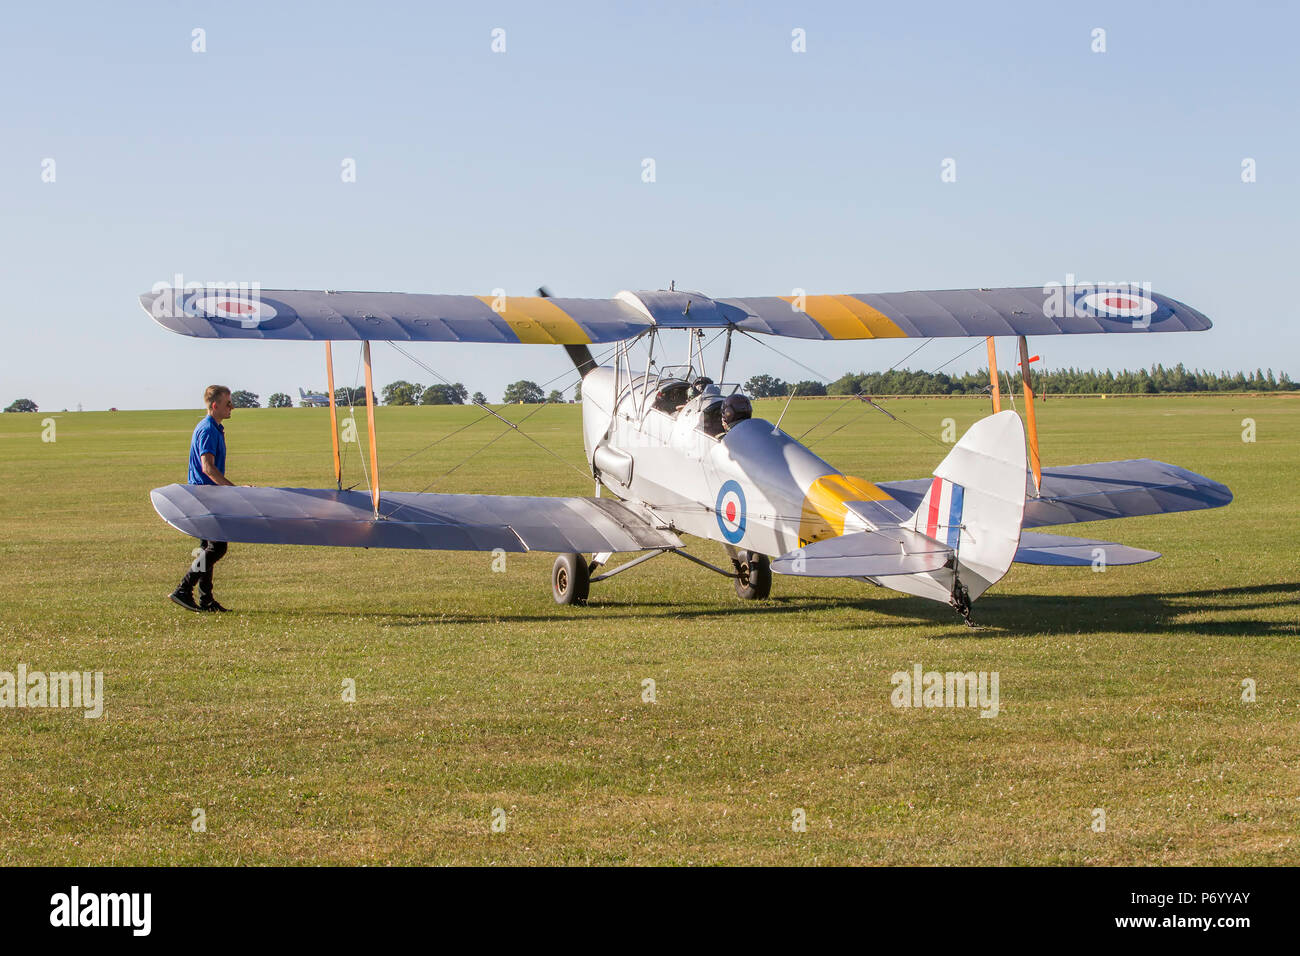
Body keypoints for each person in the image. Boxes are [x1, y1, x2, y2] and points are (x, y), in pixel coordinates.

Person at [168, 385, 244, 612]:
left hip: (206, 495)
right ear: (215, 405)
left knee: (207, 548)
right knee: (218, 548)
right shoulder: (208, 430)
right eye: (228, 403)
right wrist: (235, 490)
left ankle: (206, 599)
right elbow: (208, 468)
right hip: (205, 496)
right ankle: (183, 589)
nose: (232, 407)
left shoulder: (214, 428)